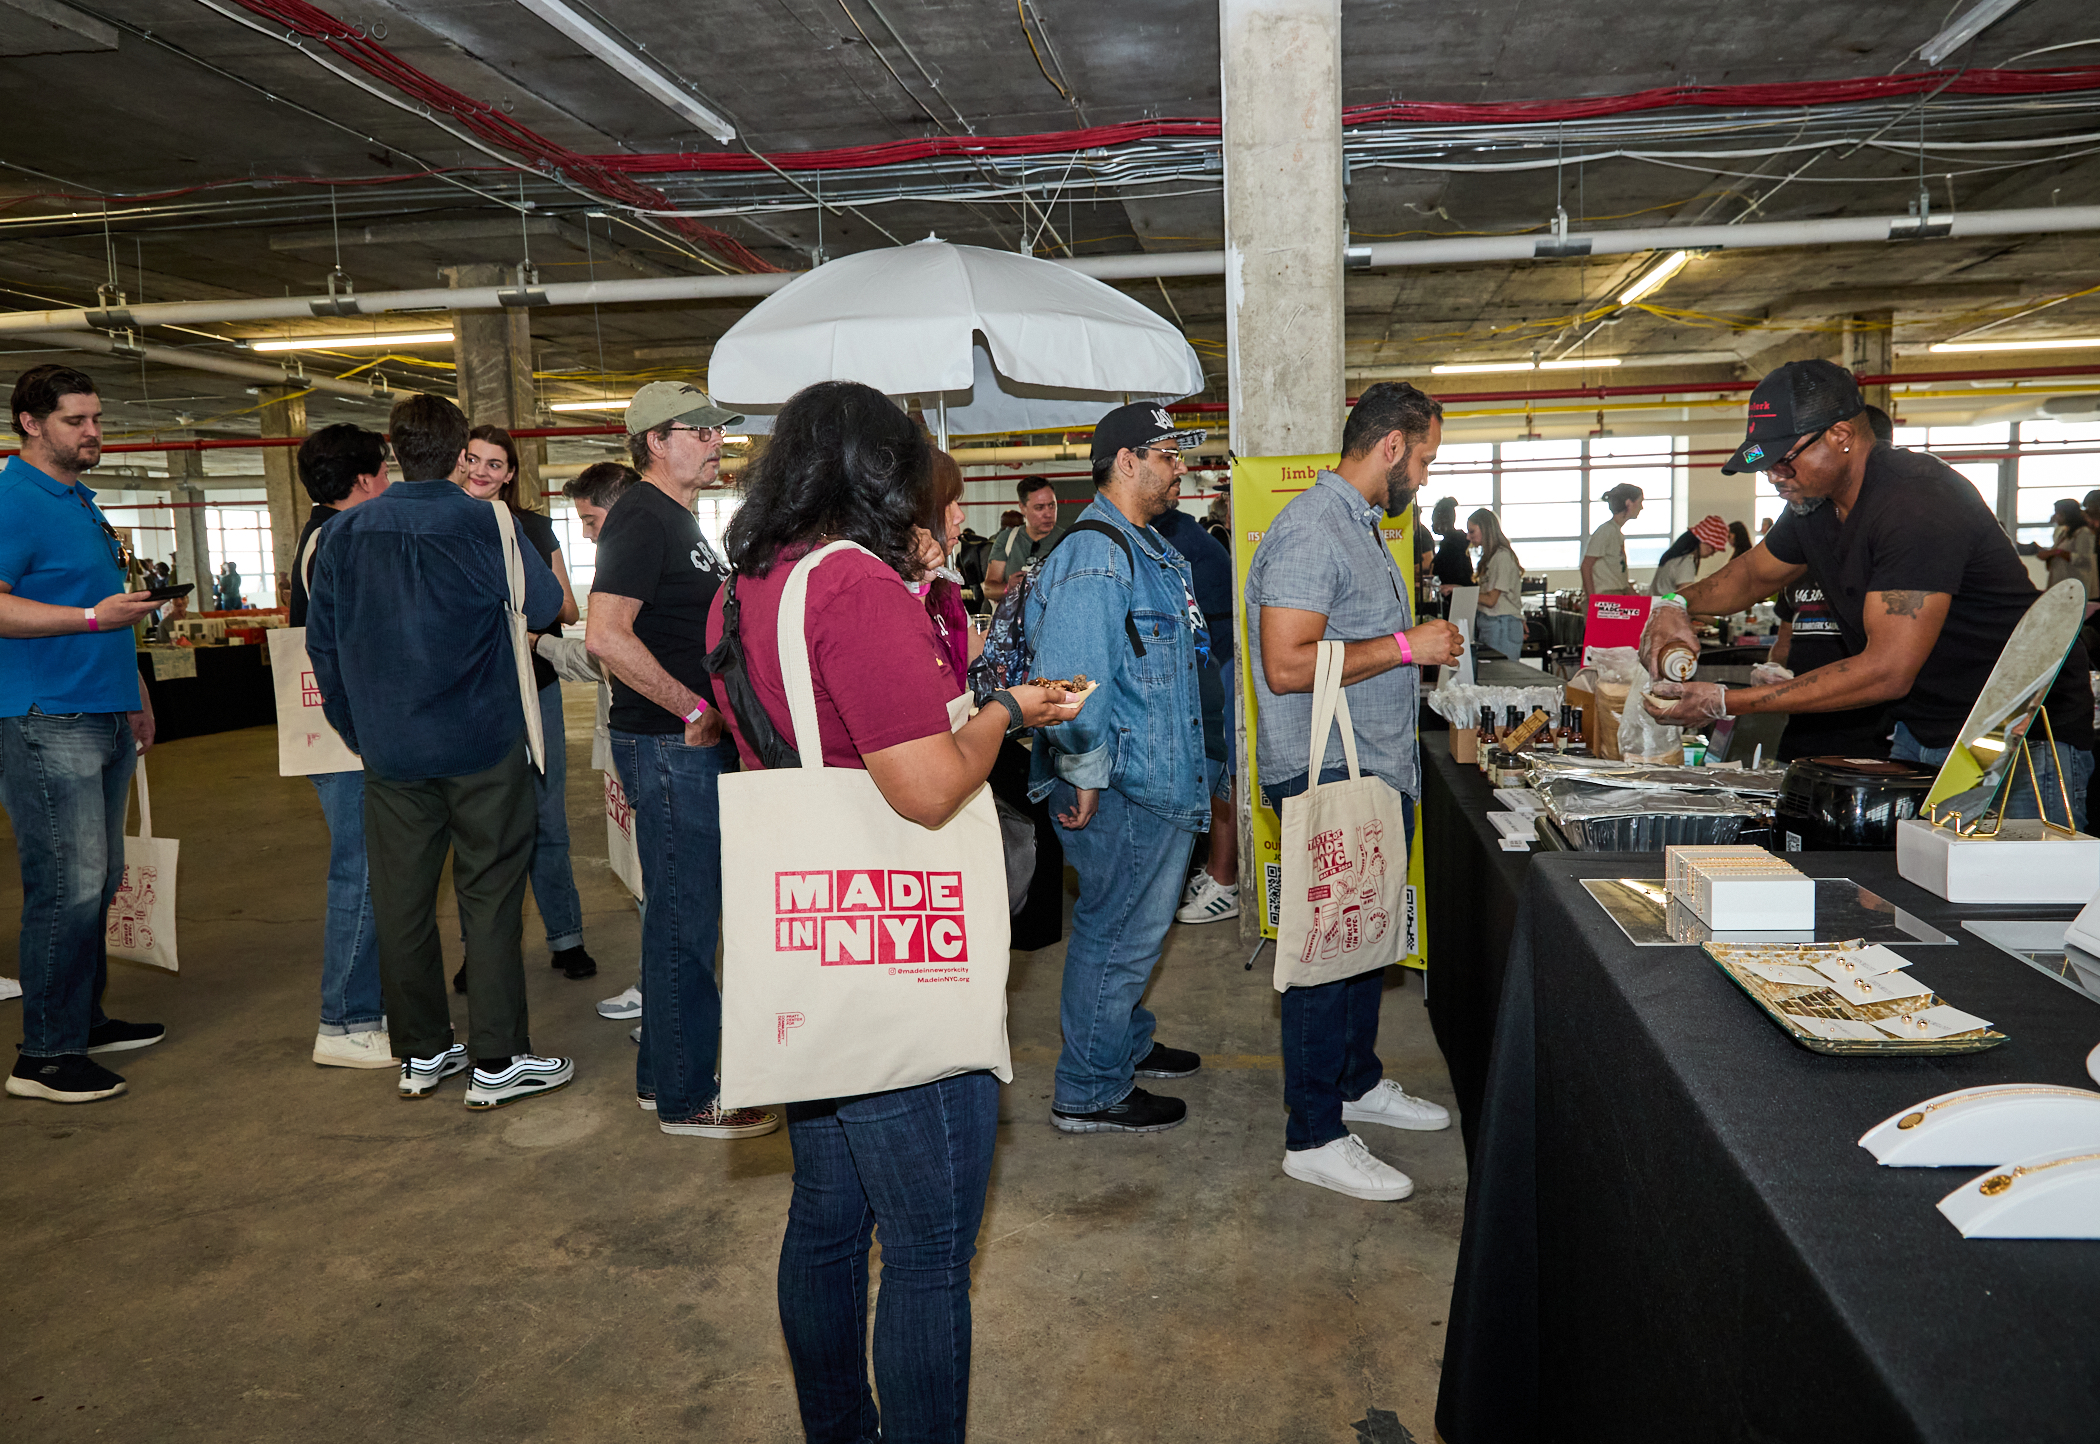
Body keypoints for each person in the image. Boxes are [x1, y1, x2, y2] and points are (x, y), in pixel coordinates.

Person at [704, 380, 1077, 1444]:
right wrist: (1005, 711)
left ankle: (837, 1428)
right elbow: (922, 786)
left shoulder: (749, 583)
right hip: (890, 948)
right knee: (925, 1250)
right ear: (877, 473)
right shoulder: (854, 586)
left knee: (825, 1219)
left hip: (811, 944)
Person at [1642, 359, 2096, 826]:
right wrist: (1674, 605)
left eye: (1784, 459)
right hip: (1923, 724)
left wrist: (1724, 701)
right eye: (1764, 464)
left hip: (2011, 733)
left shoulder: (1914, 503)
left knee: (2013, 890)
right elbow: (1751, 576)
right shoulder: (1813, 506)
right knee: (1924, 878)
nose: (1774, 476)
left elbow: (1886, 671)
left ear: (1841, 435)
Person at [306, 392, 575, 1109]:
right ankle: (496, 1060)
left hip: (391, 750)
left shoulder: (344, 534)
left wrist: (358, 728)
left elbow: (322, 648)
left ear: (393, 447)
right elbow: (546, 605)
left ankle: (422, 1053)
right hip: (483, 742)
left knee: (401, 903)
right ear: (461, 452)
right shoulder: (488, 521)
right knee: (489, 896)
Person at [1246, 380, 1460, 1200]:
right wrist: (1408, 646)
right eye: (1427, 458)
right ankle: (1313, 1133)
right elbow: (1287, 664)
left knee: (1364, 941)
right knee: (1323, 957)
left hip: (1372, 766)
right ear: (1394, 447)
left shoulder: (1364, 526)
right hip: (1330, 771)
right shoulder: (1310, 529)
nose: (1427, 478)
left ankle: (1356, 1081)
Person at [585, 381, 777, 1140]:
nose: (715, 441)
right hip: (669, 747)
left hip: (683, 747)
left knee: (681, 915)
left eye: (717, 430)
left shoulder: (675, 518)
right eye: (699, 431)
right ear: (655, 441)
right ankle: (690, 1098)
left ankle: (661, 1076)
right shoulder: (640, 514)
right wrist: (692, 708)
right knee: (685, 923)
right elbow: (605, 635)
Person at [1026, 403, 1215, 1134]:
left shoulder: (1140, 545)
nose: (1180, 468)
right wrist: (1084, 773)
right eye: (1169, 455)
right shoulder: (1098, 553)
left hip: (1148, 776)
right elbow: (1071, 684)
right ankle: (1091, 1087)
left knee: (1134, 928)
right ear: (1127, 461)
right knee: (1117, 933)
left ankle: (1122, 1045)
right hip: (1122, 786)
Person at [0, 365, 165, 1105]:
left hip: (99, 705)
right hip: (45, 714)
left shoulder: (80, 501)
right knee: (66, 886)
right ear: (32, 424)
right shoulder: (12, 500)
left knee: (97, 882)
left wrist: (133, 690)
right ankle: (44, 1053)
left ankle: (80, 1019)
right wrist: (93, 620)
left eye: (96, 418)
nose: (93, 431)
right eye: (76, 420)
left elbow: (110, 606)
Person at [451, 424, 596, 988]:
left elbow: (565, 609)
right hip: (469, 698)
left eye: (495, 464)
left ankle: (566, 937)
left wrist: (517, 601)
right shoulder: (445, 524)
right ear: (459, 462)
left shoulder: (532, 527)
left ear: (510, 474)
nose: (482, 472)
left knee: (547, 819)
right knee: (477, 830)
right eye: (473, 460)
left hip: (535, 691)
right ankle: (479, 951)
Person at [290, 422, 396, 1069]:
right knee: (361, 872)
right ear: (364, 479)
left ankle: (364, 1006)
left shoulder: (323, 534)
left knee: (369, 868)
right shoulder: (339, 540)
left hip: (344, 733)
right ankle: (346, 1020)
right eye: (384, 471)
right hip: (347, 739)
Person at [534, 462, 649, 1026]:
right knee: (642, 871)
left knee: (656, 875)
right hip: (626, 739)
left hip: (649, 743)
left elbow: (603, 656)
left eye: (590, 519)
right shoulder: (634, 556)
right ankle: (659, 984)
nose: (584, 533)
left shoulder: (637, 565)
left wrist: (543, 645)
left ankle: (664, 993)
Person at [1155, 485, 1239, 925]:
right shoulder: (1179, 531)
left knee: (1221, 771)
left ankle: (1225, 882)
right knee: (1214, 771)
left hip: (1218, 661)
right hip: (1212, 658)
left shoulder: (1172, 537)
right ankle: (1215, 871)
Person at [983, 474, 1064, 605]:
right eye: (1039, 508)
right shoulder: (1008, 539)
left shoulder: (1067, 541)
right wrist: (1008, 588)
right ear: (1022, 507)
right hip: (1013, 622)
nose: (1048, 514)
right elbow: (989, 589)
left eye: (1052, 505)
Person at [1467, 508, 1525, 659]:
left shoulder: (1501, 557)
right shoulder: (1491, 558)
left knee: (1502, 678)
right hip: (1493, 624)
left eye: (1472, 531)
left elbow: (1491, 600)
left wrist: (1462, 593)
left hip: (1501, 625)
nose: (1468, 537)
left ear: (1485, 529)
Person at [1581, 482, 1642, 596]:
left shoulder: (1616, 532)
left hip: (1616, 594)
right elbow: (1586, 565)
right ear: (1628, 503)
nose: (1641, 507)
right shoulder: (1606, 531)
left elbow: (1618, 576)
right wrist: (1592, 599)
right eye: (1639, 502)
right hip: (1605, 596)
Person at [1650, 514, 1730, 600]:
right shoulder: (1685, 562)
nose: (1713, 553)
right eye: (1712, 548)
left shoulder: (1674, 556)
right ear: (1702, 541)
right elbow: (1687, 598)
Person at [2033, 498, 2099, 602]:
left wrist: (2057, 553)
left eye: (2058, 513)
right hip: (2061, 584)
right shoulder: (2064, 532)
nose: (2055, 517)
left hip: (2075, 586)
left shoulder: (2084, 532)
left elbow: (2084, 559)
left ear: (2068, 514)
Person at [1430, 497, 1474, 612]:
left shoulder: (1450, 543)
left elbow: (1436, 570)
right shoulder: (1459, 539)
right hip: (1463, 596)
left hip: (1457, 598)